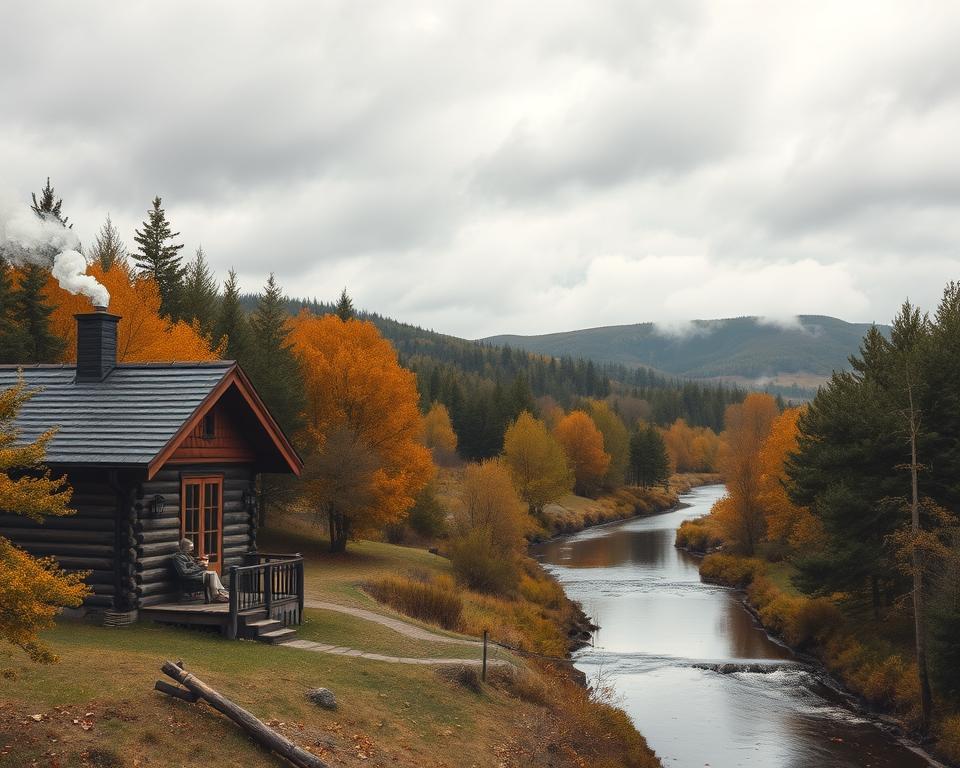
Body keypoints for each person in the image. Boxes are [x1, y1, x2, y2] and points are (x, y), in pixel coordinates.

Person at [172, 538, 229, 602]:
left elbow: (192, 564)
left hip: (196, 574)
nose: (192, 549)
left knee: (213, 573)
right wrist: (199, 566)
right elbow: (184, 572)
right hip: (189, 577)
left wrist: (199, 561)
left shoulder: (187, 555)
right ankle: (216, 595)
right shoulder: (178, 558)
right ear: (184, 547)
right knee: (210, 576)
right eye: (190, 548)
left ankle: (218, 593)